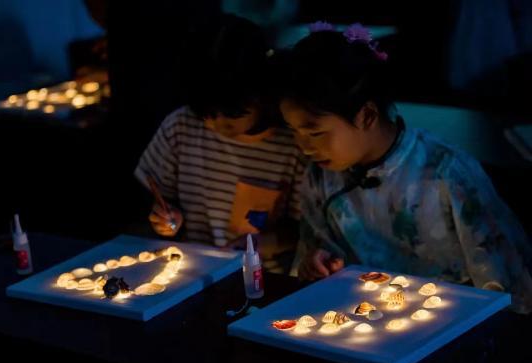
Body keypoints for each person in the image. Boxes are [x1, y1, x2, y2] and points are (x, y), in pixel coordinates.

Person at [280, 22, 532, 313]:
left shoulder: (446, 174)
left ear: (367, 115)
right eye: (294, 131)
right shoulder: (320, 177)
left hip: (453, 320)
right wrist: (317, 265)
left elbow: (506, 283)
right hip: (366, 319)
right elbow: (316, 252)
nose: (304, 146)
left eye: (314, 132)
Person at [134, 14, 305, 270]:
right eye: (205, 112)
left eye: (229, 113)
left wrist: (258, 244)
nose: (215, 123)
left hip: (265, 279)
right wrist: (165, 216)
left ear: (262, 92)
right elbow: (154, 197)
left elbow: (301, 228)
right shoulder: (181, 128)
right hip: (192, 273)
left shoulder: (294, 144)